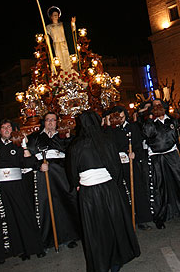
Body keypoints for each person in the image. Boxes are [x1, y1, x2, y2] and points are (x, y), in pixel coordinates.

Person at [66, 111, 141, 272]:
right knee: (113, 223)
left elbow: (72, 172)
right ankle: (116, 260)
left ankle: (100, 262)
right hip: (108, 189)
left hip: (89, 192)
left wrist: (77, 184)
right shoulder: (106, 141)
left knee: (95, 228)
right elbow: (115, 166)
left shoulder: (76, 145)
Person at [0, 119, 45, 270]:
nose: (7, 129)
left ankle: (33, 248)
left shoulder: (18, 147)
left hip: (17, 185)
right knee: (0, 219)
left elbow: (28, 163)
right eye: (3, 127)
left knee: (24, 215)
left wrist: (25, 146)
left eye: (9, 127)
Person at [26, 112, 81, 250]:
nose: (50, 122)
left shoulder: (63, 135)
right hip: (43, 175)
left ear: (57, 122)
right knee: (45, 205)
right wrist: (38, 166)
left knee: (65, 202)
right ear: (43, 122)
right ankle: (47, 239)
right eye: (47, 120)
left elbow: (72, 152)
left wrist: (68, 138)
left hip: (61, 174)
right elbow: (28, 156)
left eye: (53, 120)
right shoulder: (34, 138)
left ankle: (69, 236)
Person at [141, 99, 180, 229]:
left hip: (172, 154)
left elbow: (177, 134)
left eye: (160, 105)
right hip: (157, 157)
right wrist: (149, 118)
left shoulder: (172, 121)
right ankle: (160, 217)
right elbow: (147, 134)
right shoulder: (150, 123)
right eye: (155, 106)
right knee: (159, 186)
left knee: (179, 182)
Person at [104, 105, 154, 230]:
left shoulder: (132, 127)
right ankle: (126, 219)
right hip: (117, 165)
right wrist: (109, 126)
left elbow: (139, 146)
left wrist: (135, 154)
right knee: (121, 192)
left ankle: (141, 219)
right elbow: (108, 146)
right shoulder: (110, 130)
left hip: (131, 163)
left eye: (122, 117)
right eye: (117, 117)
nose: (120, 119)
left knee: (137, 190)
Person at [45, 6, 77, 74]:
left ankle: (70, 73)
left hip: (64, 43)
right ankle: (59, 74)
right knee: (58, 59)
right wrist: (46, 38)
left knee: (67, 58)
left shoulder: (63, 24)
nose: (56, 16)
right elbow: (47, 36)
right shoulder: (48, 27)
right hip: (56, 44)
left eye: (57, 14)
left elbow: (71, 30)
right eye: (54, 15)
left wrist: (73, 23)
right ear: (51, 17)